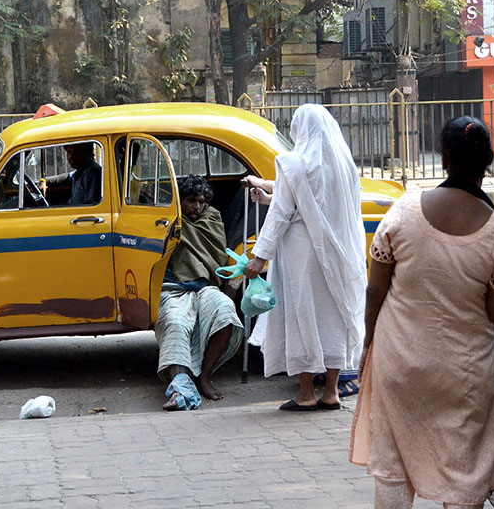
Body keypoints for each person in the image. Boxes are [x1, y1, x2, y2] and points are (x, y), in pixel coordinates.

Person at [349, 116, 494, 509]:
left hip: (400, 361)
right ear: (488, 162)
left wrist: (370, 340)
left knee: (392, 468)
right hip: (465, 373)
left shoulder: (405, 209)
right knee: (464, 472)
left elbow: (376, 289)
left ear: (444, 160)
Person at [243, 103, 366, 411]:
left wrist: (259, 256)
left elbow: (283, 213)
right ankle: (332, 392)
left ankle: (307, 394)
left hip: (301, 257)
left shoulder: (293, 163)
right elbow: (313, 204)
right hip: (338, 254)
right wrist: (269, 197)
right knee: (334, 317)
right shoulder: (345, 167)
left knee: (302, 318)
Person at [154, 175, 243, 410]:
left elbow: (215, 254)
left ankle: (204, 376)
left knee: (225, 312)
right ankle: (181, 388)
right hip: (173, 289)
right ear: (180, 201)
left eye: (202, 201)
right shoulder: (168, 220)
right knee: (175, 322)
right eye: (191, 201)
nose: (197, 207)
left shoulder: (211, 218)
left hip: (205, 287)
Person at [41, 142, 102, 206]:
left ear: (85, 153)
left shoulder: (92, 173)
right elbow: (66, 177)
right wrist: (44, 180)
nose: (71, 157)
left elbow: (91, 205)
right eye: (69, 152)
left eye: (76, 152)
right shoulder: (80, 171)